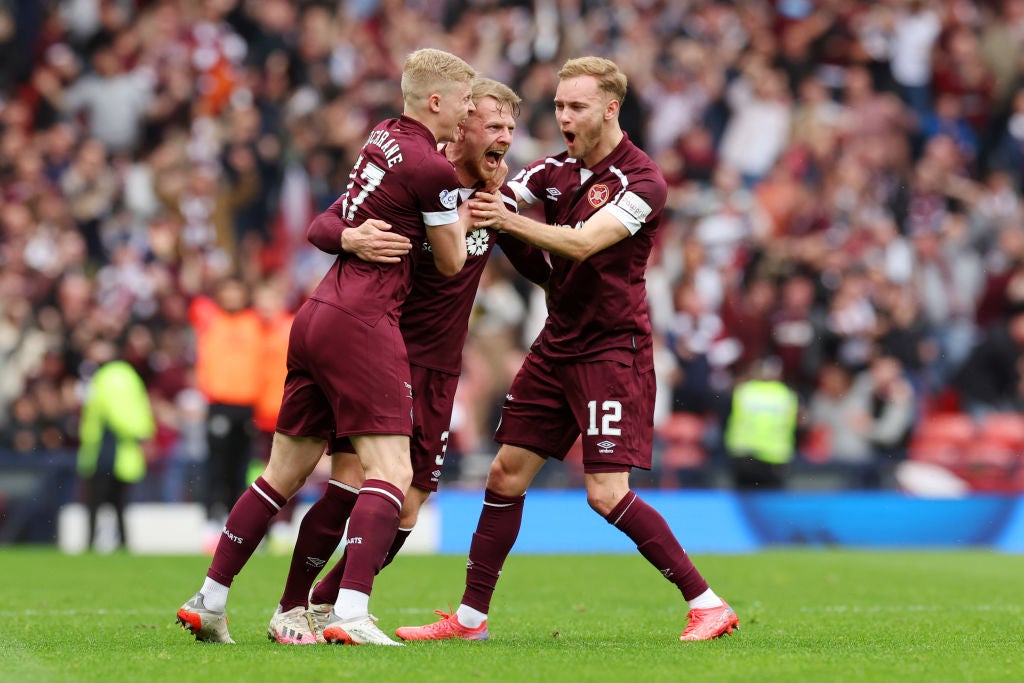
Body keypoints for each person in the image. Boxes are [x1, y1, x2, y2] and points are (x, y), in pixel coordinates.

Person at [395, 57, 739, 644]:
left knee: (606, 494)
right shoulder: (555, 169)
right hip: (557, 344)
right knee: (504, 475)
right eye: (557, 106)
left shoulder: (643, 182)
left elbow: (582, 244)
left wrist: (505, 218)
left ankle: (707, 603)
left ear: (610, 109)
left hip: (612, 351)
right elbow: (501, 195)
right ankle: (470, 620)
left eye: (575, 107)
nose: (563, 117)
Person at [176, 48, 477, 646]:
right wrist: (465, 217)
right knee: (391, 469)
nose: (469, 114)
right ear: (436, 101)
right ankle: (350, 611)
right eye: (465, 101)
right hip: (365, 322)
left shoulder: (382, 138)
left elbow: (324, 224)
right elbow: (449, 262)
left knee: (281, 473)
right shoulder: (433, 171)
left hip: (316, 312)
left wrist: (351, 233)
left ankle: (210, 598)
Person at [262, 77, 551, 645]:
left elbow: (538, 268)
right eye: (493, 125)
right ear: (461, 126)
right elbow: (323, 223)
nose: (505, 140)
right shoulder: (420, 177)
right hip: (384, 350)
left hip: (441, 368)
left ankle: (324, 605)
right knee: (348, 484)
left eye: (510, 130)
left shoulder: (496, 200)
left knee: (409, 509)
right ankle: (299, 606)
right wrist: (351, 238)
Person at [77, 339, 155, 551]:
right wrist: (143, 434)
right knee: (119, 501)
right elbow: (141, 409)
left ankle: (93, 543)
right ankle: (122, 543)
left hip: (109, 447)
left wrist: (135, 433)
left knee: (98, 500)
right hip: (121, 448)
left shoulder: (109, 377)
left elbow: (116, 412)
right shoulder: (129, 375)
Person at [723, 357, 800, 490]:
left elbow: (725, 415)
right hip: (775, 458)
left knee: (744, 503)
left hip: (745, 456)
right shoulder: (787, 395)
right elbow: (795, 424)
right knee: (771, 504)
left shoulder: (743, 391)